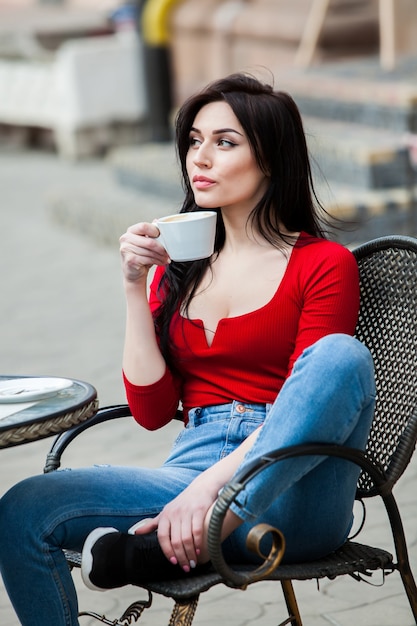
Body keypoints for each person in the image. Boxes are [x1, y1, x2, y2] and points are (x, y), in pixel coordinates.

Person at [0, 73, 376, 626]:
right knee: (22, 509)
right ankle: (202, 529)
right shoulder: (176, 269)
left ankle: (212, 522)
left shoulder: (323, 264)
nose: (200, 157)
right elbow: (153, 413)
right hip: (189, 472)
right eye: (194, 141)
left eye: (225, 142)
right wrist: (133, 284)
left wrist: (212, 489)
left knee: (342, 356)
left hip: (294, 489)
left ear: (270, 160)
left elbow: (324, 395)